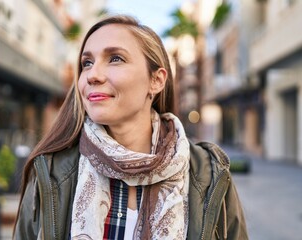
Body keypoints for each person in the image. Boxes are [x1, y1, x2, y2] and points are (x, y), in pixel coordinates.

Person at [14, 15, 248, 240]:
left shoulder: (210, 175)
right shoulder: (50, 171)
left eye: (115, 58)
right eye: (87, 63)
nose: (92, 75)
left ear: (156, 80)